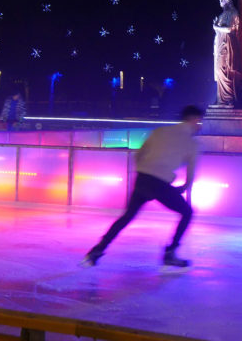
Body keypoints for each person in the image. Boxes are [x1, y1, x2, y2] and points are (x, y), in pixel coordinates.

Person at [81, 105, 204, 269]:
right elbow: (191, 171)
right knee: (187, 212)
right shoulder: (192, 143)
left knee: (127, 217)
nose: (199, 126)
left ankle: (97, 250)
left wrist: (144, 171)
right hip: (160, 183)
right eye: (199, 122)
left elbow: (139, 154)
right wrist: (184, 187)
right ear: (194, 119)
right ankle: (171, 253)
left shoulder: (160, 132)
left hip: (142, 179)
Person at [212, 0, 240, 105]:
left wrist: (216, 27)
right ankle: (221, 98)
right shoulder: (222, 14)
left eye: (222, 0)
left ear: (228, 0)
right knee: (219, 71)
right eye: (220, 0)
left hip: (227, 45)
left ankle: (228, 98)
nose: (220, 2)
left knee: (225, 70)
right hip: (219, 45)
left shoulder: (233, 13)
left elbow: (229, 29)